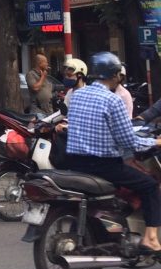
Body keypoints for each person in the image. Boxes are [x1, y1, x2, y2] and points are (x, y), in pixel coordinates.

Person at [65, 51, 161, 254]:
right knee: (150, 185)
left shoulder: (77, 95)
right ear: (114, 75)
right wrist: (155, 142)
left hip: (73, 163)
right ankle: (151, 238)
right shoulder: (113, 100)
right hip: (104, 166)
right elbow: (128, 141)